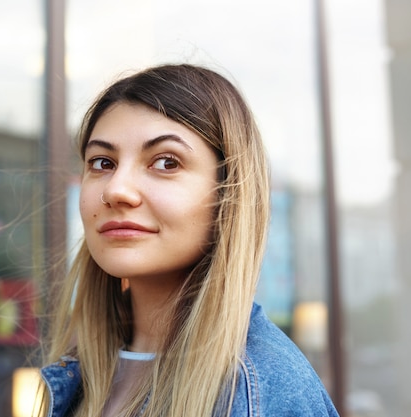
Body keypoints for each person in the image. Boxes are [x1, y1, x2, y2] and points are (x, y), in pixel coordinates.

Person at [38, 64, 339, 417]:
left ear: (228, 194)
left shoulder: (260, 392)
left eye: (166, 162)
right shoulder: (85, 370)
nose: (116, 189)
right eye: (103, 163)